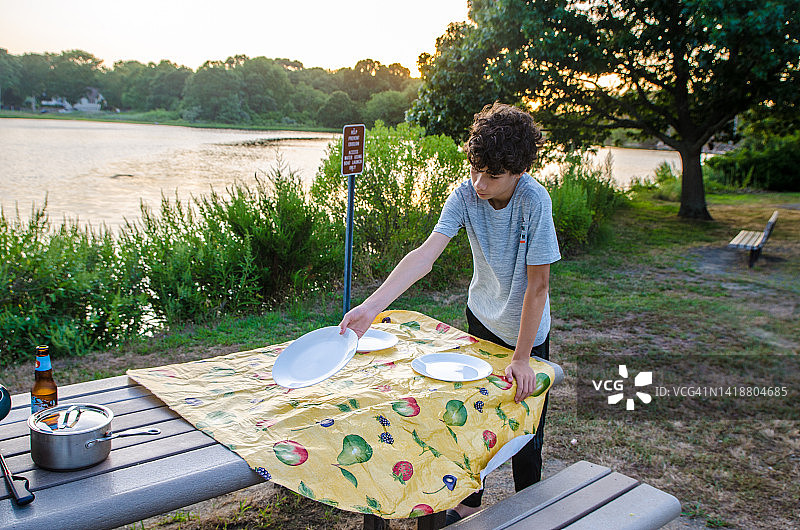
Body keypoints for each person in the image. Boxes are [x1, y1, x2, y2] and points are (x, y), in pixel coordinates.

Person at [338, 102, 561, 523]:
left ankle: (531, 512)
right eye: (475, 169)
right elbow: (424, 257)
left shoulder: (535, 202)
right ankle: (463, 510)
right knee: (474, 421)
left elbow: (539, 286)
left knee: (525, 433)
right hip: (481, 318)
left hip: (526, 332)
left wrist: (522, 357)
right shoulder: (464, 195)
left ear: (518, 171)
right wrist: (370, 307)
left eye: (492, 176)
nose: (479, 182)